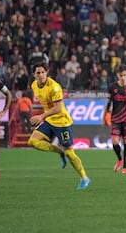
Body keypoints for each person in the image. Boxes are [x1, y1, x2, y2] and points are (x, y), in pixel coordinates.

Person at [27, 62, 90, 190]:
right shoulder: (34, 85)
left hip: (62, 122)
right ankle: (59, 151)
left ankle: (84, 178)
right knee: (32, 141)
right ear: (34, 74)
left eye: (43, 72)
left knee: (70, 154)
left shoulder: (54, 87)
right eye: (38, 73)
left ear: (47, 72)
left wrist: (40, 117)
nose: (41, 75)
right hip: (49, 120)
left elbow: (58, 108)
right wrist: (44, 117)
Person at [102, 64, 126, 174]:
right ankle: (120, 159)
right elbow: (107, 104)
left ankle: (125, 167)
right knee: (114, 142)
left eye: (124, 75)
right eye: (120, 75)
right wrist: (103, 118)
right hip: (115, 119)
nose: (122, 77)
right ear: (117, 75)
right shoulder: (112, 87)